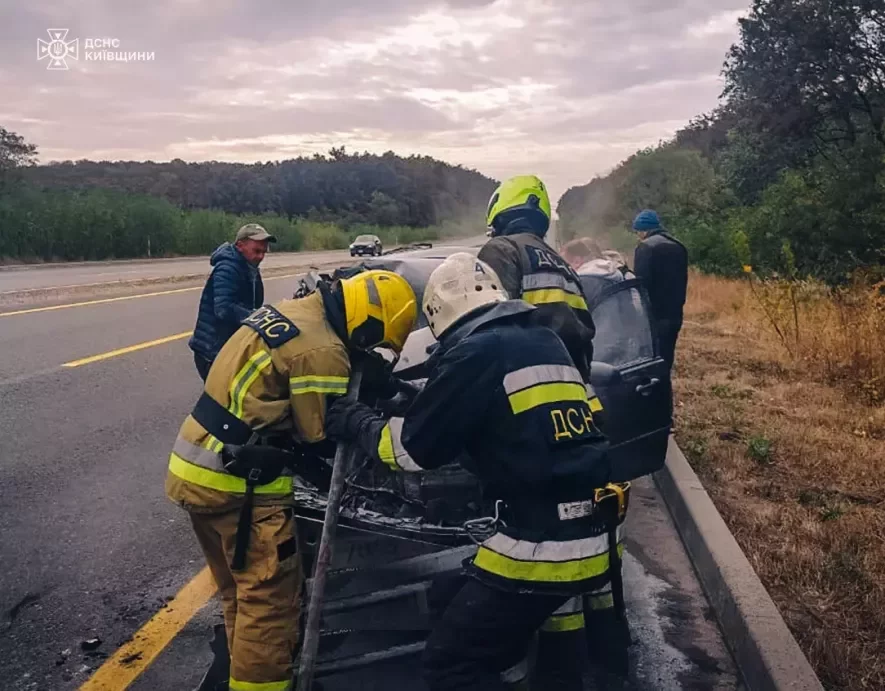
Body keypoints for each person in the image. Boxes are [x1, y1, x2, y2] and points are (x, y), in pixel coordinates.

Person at [324, 253, 629, 691]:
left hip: (540, 548)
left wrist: (357, 421)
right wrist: (411, 399)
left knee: (450, 665)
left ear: (438, 316)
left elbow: (411, 450)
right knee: (485, 620)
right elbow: (536, 422)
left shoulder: (474, 352)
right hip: (598, 534)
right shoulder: (546, 341)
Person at [165, 269, 418, 691]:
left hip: (194, 466)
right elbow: (318, 434)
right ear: (366, 322)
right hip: (242, 489)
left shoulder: (300, 310)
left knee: (240, 596)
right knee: (270, 610)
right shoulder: (323, 353)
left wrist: (371, 371)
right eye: (374, 339)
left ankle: (239, 675)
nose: (372, 347)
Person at [478, 175, 597, 382]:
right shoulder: (565, 268)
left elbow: (486, 329)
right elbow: (585, 340)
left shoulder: (501, 249)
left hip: (519, 387)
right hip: (570, 390)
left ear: (500, 212)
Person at [189, 223, 276, 381]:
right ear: (240, 245)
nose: (261, 257)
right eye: (257, 251)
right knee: (223, 402)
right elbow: (223, 308)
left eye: (264, 252)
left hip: (227, 347)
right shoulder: (228, 268)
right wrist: (258, 318)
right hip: (212, 352)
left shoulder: (248, 266)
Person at [630, 210, 688, 370]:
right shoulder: (679, 246)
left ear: (644, 230)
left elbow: (641, 284)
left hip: (653, 316)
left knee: (651, 360)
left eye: (637, 231)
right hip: (675, 314)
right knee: (666, 359)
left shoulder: (645, 247)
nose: (637, 235)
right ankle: (665, 390)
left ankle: (655, 392)